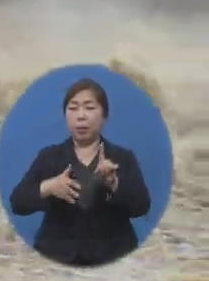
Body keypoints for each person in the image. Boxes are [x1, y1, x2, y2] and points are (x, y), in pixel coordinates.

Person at [9, 78, 152, 267]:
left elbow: (141, 206)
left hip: (114, 260)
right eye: (73, 108)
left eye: (89, 108)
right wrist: (49, 187)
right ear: (65, 114)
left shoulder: (121, 158)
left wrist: (113, 185)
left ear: (104, 115)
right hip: (55, 260)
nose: (81, 116)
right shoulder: (49, 156)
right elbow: (18, 202)